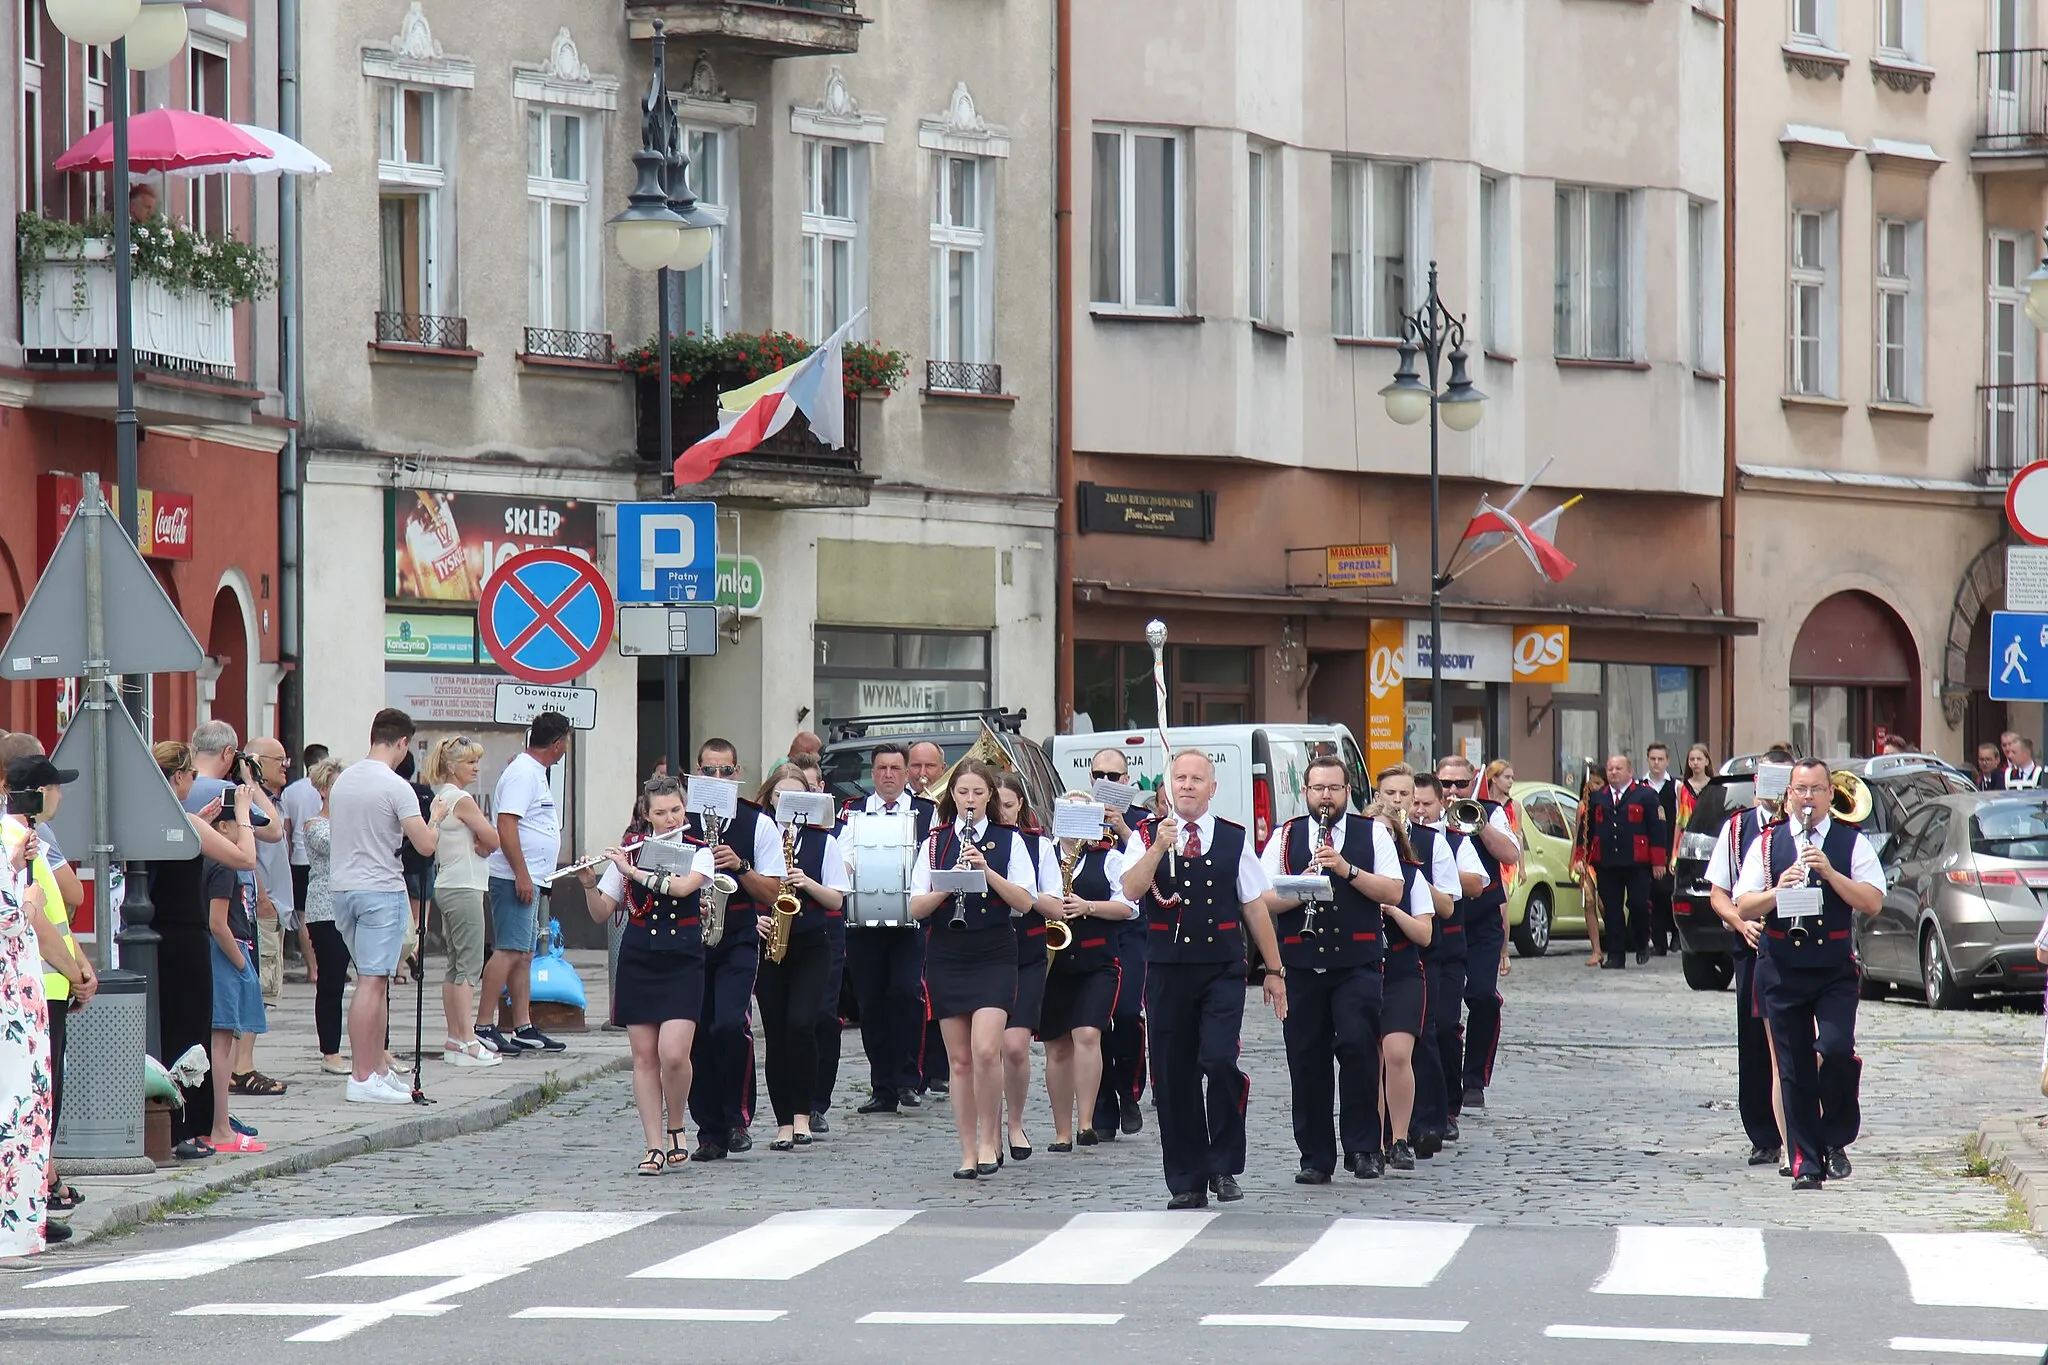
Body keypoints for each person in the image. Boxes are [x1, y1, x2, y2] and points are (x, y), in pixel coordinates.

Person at [1119, 749, 1287, 1209]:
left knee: (1218, 1060)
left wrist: (1273, 970)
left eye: (1197, 779)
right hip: (1168, 971)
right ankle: (1187, 1178)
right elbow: (1131, 891)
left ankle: (1224, 1164)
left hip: (1221, 969)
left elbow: (1253, 904)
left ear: (1213, 789)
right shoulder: (1147, 836)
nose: (1188, 785)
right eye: (1180, 778)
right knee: (1174, 1075)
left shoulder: (1233, 838)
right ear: (1169, 787)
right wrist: (1157, 847)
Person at [1732, 758, 1885, 1189]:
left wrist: (1829, 873)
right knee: (1794, 1068)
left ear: (1828, 795)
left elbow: (1872, 902)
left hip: (1833, 967)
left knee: (1835, 1049)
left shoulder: (1852, 843)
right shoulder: (1767, 844)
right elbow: (1743, 905)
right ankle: (1806, 1164)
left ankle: (1835, 1136)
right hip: (1781, 967)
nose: (1807, 798)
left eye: (1816, 790)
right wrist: (1778, 890)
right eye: (1800, 790)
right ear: (1789, 795)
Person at [1262, 756, 1406, 1185]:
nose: (1325, 796)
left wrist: (1346, 869)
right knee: (1306, 1058)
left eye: (1334, 789)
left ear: (1348, 792)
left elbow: (1394, 890)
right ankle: (1315, 1156)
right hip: (1302, 965)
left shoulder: (1372, 832)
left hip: (1357, 962)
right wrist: (1301, 884)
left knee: (1360, 1050)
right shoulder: (1285, 836)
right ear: (1305, 791)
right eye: (1318, 788)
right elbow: (1261, 898)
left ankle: (1363, 1149)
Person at [578, 775, 716, 1173]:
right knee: (644, 1057)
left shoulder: (699, 852)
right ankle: (654, 1144)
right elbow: (602, 911)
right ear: (646, 814)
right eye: (661, 813)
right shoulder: (631, 853)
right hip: (640, 959)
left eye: (676, 810)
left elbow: (683, 888)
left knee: (674, 1054)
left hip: (683, 959)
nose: (671, 819)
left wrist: (632, 872)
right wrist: (590, 883)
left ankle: (677, 1124)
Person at [911, 760, 1035, 1178]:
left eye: (978, 794)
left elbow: (1024, 901)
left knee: (986, 1050)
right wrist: (947, 884)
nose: (970, 800)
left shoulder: (1009, 840)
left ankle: (989, 1139)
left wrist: (986, 870)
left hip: (995, 951)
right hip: (948, 953)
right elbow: (915, 906)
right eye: (962, 793)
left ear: (990, 798)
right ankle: (967, 1150)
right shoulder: (934, 843)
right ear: (953, 797)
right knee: (959, 1060)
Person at [328, 709, 450, 1105]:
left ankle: (376, 1069)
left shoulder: (345, 779)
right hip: (380, 888)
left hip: (343, 888)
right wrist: (435, 817)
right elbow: (426, 844)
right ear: (401, 743)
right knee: (372, 982)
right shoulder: (396, 786)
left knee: (372, 980)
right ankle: (363, 1076)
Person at [149, 743, 259, 1156]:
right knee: (190, 1031)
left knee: (164, 1028)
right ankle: (189, 1129)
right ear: (178, 778)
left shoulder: (152, 820)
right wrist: (243, 815)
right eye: (191, 775)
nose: (194, 781)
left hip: (155, 933)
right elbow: (245, 858)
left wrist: (204, 822)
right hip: (187, 937)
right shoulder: (189, 822)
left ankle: (167, 1125)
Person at [1, 755, 92, 1221]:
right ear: (36, 794)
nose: (62, 795)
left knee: (39, 1096)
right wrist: (77, 972)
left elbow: (56, 913)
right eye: (56, 788)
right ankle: (34, 1199)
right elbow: (31, 917)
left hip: (45, 982)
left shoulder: (28, 841)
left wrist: (77, 963)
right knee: (35, 1097)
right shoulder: (21, 842)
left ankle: (39, 1191)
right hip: (31, 986)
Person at [685, 738, 785, 1161]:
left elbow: (776, 888)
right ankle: (708, 1130)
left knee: (729, 1024)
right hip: (689, 939)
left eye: (726, 771)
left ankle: (737, 1118)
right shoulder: (680, 817)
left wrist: (740, 866)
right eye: (709, 771)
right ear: (697, 772)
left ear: (737, 772)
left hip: (739, 935)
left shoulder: (757, 822)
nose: (718, 778)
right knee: (697, 1034)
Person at [751, 764, 850, 1152]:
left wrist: (807, 882)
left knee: (801, 1024)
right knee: (775, 1034)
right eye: (781, 798)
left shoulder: (822, 842)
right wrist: (754, 920)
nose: (788, 806)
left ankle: (804, 1115)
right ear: (770, 800)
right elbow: (746, 890)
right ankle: (782, 1121)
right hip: (770, 942)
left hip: (811, 943)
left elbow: (837, 898)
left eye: (797, 799)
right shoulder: (760, 839)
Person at [1707, 744, 1792, 1169]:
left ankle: (1799, 1126)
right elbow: (1719, 893)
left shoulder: (1799, 828)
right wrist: (1740, 923)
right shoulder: (1738, 828)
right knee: (1754, 1040)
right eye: (1768, 779)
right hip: (1752, 943)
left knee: (1796, 1038)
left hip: (1796, 941)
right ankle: (1762, 1133)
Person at [1039, 791, 1133, 1152]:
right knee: (1057, 1047)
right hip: (1053, 963)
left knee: (1087, 1034)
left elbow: (1127, 907)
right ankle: (1062, 1130)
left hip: (1097, 962)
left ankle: (1087, 1122)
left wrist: (1088, 906)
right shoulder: (1043, 855)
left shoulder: (1107, 858)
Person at [845, 743, 934, 1117]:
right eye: (881, 768)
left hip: (910, 920)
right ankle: (882, 1085)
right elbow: (842, 857)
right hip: (865, 921)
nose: (888, 775)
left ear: (906, 772)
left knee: (906, 994)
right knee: (871, 1003)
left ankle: (907, 1078)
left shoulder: (927, 812)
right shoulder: (853, 812)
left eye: (895, 768)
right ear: (872, 772)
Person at [478, 713, 571, 1056]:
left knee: (524, 953)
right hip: (514, 878)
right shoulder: (523, 773)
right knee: (509, 949)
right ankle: (484, 1024)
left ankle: (523, 1025)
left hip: (532, 876)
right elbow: (506, 824)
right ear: (558, 743)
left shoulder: (534, 772)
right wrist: (522, 873)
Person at [1409, 773, 1481, 1157]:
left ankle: (1448, 1108)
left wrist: (1426, 875)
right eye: (1413, 802)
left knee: (1443, 1028)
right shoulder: (1392, 835)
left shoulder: (1452, 839)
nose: (1419, 810)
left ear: (1441, 806)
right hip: (1409, 947)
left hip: (1447, 948)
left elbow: (1474, 883)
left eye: (1425, 804)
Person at [992, 770, 1061, 1162]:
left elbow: (1055, 906)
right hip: (983, 953)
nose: (1001, 812)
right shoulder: (974, 844)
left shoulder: (1038, 847)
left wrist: (1021, 892)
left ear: (1021, 805)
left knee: (1015, 1047)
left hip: (1026, 951)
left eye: (1008, 803)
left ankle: (1014, 1122)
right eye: (994, 804)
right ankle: (991, 1127)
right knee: (987, 1049)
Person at [1444, 754, 1519, 1114]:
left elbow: (1510, 854)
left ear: (1473, 779)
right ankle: (1445, 1079)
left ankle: (1474, 1079)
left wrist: (1478, 820)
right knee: (1443, 1008)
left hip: (1483, 919)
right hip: (1442, 920)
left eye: (1460, 783)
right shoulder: (1425, 812)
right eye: (1447, 784)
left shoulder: (1492, 810)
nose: (1453, 791)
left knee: (1483, 997)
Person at [424, 736, 501, 1067]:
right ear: (452, 766)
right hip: (466, 886)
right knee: (470, 965)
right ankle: (468, 1039)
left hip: (447, 884)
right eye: (470, 762)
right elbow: (493, 837)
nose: (476, 767)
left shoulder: (441, 797)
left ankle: (456, 1036)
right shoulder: (462, 798)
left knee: (455, 963)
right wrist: (485, 842)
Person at [1087, 746, 1150, 1141]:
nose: (1106, 784)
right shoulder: (1079, 815)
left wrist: (1123, 829)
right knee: (1093, 1022)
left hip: (1131, 931)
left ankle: (1128, 1090)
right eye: (1098, 776)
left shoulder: (1144, 823)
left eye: (1113, 777)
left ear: (1127, 781)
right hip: (1092, 931)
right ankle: (1102, 1104)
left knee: (1126, 1013)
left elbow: (1149, 869)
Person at [0, 831, 59, 1251]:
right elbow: (8, 918)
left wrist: (15, 865)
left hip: (18, 988)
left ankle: (20, 1224)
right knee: (19, 1103)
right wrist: (32, 900)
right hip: (11, 993)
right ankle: (14, 1228)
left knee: (23, 1101)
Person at [202, 803, 269, 1154]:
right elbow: (219, 923)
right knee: (223, 1040)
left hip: (220, 951)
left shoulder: (207, 860)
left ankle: (220, 1122)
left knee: (223, 1040)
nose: (250, 835)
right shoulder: (224, 866)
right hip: (226, 952)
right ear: (224, 828)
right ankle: (221, 1126)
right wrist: (242, 964)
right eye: (244, 828)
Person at [234, 736, 295, 1098]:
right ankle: (242, 1066)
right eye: (278, 760)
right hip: (259, 906)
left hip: (272, 907)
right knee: (255, 985)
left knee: (262, 987)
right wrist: (263, 897)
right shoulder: (246, 797)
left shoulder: (267, 800)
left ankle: (242, 1062)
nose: (284, 767)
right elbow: (263, 839)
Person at [906, 739, 951, 1099]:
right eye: (916, 767)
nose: (922, 775)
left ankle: (939, 1067)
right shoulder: (911, 809)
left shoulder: (946, 806)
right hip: (915, 902)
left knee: (939, 988)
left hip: (947, 910)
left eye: (930, 768)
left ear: (942, 768)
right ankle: (920, 1070)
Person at [1591, 754, 1666, 968]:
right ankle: (1616, 955)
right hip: (1607, 862)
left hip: (1637, 862)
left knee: (1639, 904)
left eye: (1618, 768)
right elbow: (1587, 831)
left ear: (1629, 772)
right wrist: (1582, 857)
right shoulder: (1598, 797)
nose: (1613, 772)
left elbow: (1657, 830)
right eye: (1610, 768)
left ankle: (1642, 942)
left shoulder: (1645, 795)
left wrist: (1658, 862)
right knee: (1612, 910)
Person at [300, 759, 351, 1075]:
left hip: (356, 904)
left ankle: (380, 1048)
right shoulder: (314, 824)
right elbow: (336, 845)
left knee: (377, 980)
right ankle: (330, 1051)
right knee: (332, 981)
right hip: (325, 910)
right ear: (322, 789)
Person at [280, 742, 330, 922]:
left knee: (303, 912)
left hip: (299, 856)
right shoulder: (330, 788)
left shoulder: (290, 791)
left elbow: (286, 829)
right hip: (327, 856)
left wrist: (288, 854)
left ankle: (305, 951)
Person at [1638, 743, 1678, 957]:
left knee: (1668, 893)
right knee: (1652, 895)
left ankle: (1677, 936)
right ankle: (1659, 941)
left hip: (1671, 845)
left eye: (1660, 759)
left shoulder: (1676, 787)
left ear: (1667, 761)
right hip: (1648, 848)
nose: (1656, 763)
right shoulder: (1640, 786)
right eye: (1652, 759)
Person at [1570, 769, 1606, 967]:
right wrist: (1577, 859)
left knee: (1604, 903)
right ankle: (1596, 950)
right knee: (1589, 902)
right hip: (1586, 858)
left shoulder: (1609, 803)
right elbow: (1578, 835)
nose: (1594, 788)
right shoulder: (1583, 806)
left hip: (1605, 858)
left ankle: (1614, 941)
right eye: (1591, 784)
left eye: (1599, 784)